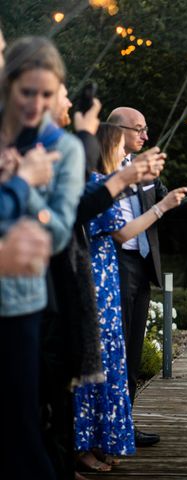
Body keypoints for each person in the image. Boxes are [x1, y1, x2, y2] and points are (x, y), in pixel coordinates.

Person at [106, 107, 187, 445]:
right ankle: (108, 428)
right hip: (114, 264)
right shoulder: (101, 168)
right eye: (138, 129)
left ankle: (124, 423)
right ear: (116, 131)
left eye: (146, 129)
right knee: (115, 349)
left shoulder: (147, 172)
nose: (145, 136)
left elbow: (166, 207)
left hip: (143, 267)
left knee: (133, 348)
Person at [0, 36, 85, 480]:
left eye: (47, 94)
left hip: (18, 304)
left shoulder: (65, 149)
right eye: (26, 92)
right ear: (7, 85)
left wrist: (28, 187)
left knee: (21, 433)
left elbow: (55, 234)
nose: (36, 103)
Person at [73, 123, 178, 472]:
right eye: (121, 150)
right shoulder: (93, 184)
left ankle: (102, 440)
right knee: (95, 362)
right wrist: (162, 207)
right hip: (93, 278)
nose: (126, 158)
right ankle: (81, 448)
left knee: (111, 361)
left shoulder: (104, 184)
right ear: (107, 148)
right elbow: (123, 232)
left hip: (105, 277)